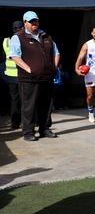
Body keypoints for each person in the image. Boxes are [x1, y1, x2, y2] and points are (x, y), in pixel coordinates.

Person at [9, 11, 60, 141]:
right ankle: (28, 132)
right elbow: (15, 56)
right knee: (29, 106)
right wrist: (28, 69)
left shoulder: (46, 36)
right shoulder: (18, 37)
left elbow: (56, 52)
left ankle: (45, 129)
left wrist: (53, 67)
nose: (34, 24)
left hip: (47, 77)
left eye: (36, 21)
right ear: (25, 23)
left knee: (46, 105)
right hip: (29, 78)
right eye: (31, 22)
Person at [3, 21, 23, 129]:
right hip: (21, 74)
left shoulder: (6, 41)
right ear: (21, 28)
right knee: (25, 99)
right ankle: (29, 122)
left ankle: (15, 123)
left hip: (10, 75)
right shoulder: (22, 40)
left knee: (14, 100)